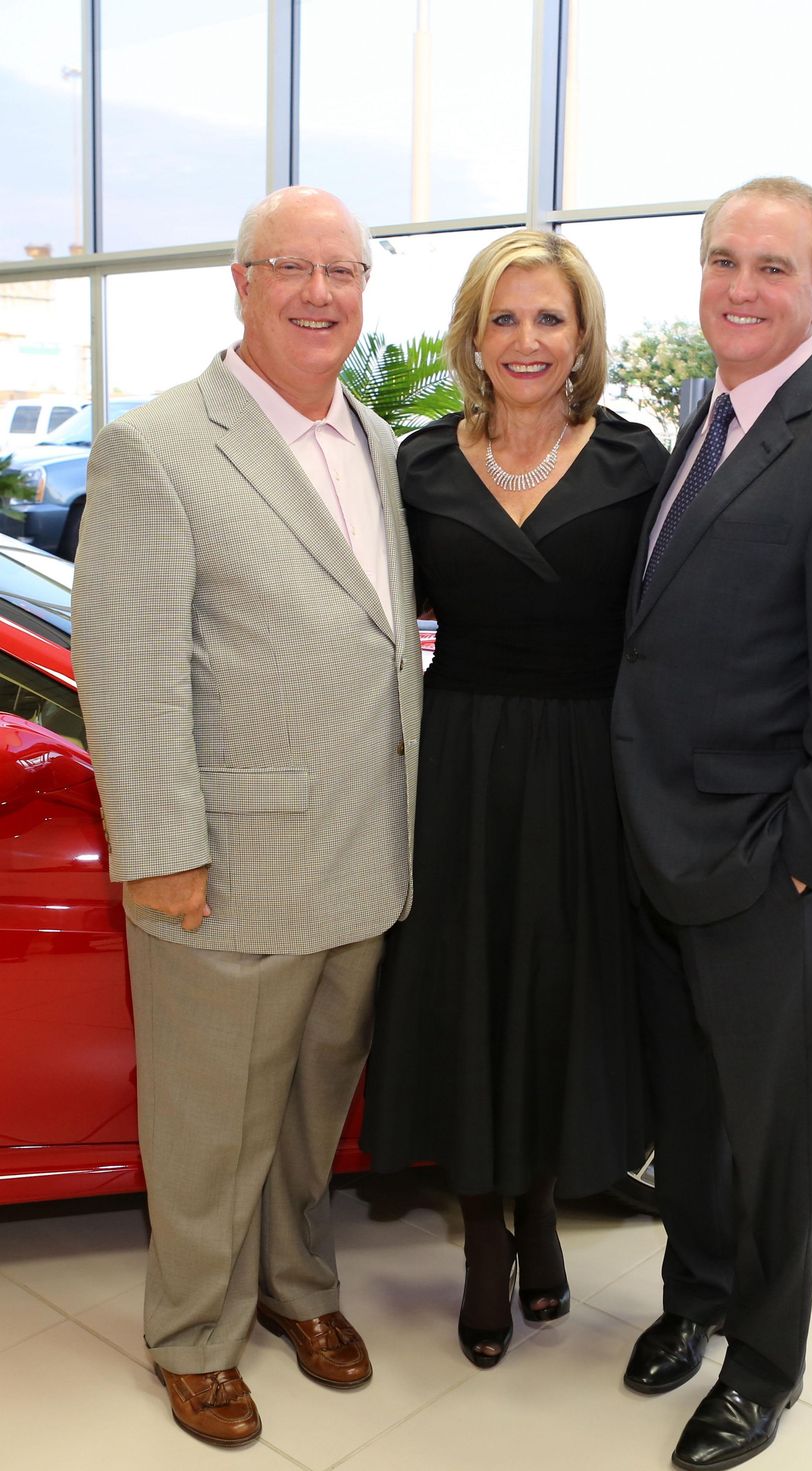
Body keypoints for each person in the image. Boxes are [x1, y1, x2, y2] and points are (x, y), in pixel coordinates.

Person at [71, 186, 422, 1448]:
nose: (320, 293)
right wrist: (161, 849)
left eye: (343, 270)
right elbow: (127, 667)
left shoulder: (378, 442)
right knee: (210, 1127)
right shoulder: (160, 445)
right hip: (227, 873)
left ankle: (297, 1290)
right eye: (292, 268)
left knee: (310, 1113)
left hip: (360, 862)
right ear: (240, 281)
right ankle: (194, 1337)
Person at [612, 176, 812, 1469]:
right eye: (721, 259)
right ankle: (694, 1295)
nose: (739, 285)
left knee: (777, 1126)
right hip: (663, 841)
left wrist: (810, 867)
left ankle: (764, 1360)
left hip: (766, 867)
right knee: (689, 1104)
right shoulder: (706, 411)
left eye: (771, 266)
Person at [360, 231, 668, 1368]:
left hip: (587, 765)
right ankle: (486, 1246)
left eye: (548, 319)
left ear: (582, 336)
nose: (525, 341)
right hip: (465, 763)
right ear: (472, 339)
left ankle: (540, 1210)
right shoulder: (420, 465)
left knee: (555, 998)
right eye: (504, 319)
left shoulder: (640, 461)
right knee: (467, 999)